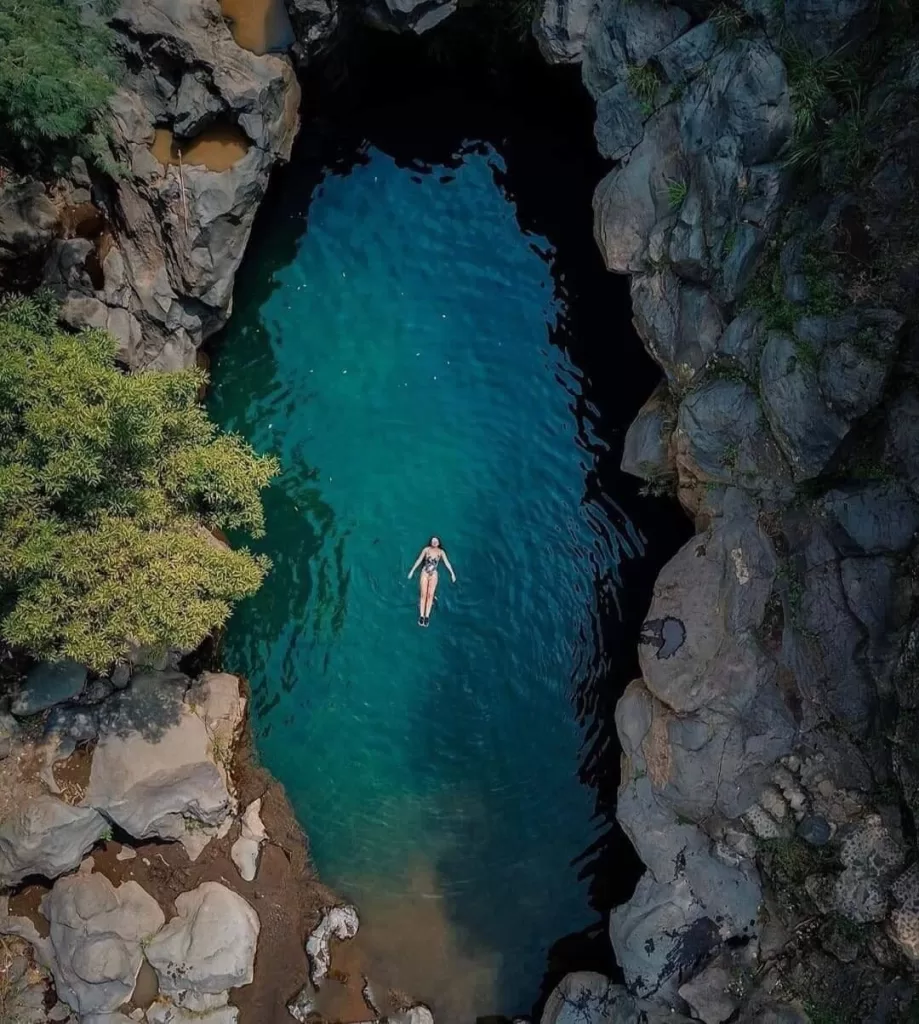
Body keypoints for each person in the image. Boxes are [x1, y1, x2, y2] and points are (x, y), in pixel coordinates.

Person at [407, 536, 456, 627]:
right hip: (425, 573)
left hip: (433, 574)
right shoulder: (426, 550)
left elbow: (447, 562)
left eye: (436, 541)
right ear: (430, 542)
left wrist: (452, 573)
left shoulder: (441, 552)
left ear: (439, 543)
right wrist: (412, 571)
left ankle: (427, 617)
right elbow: (419, 560)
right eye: (433, 540)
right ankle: (421, 616)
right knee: (423, 594)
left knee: (430, 595)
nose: (434, 542)